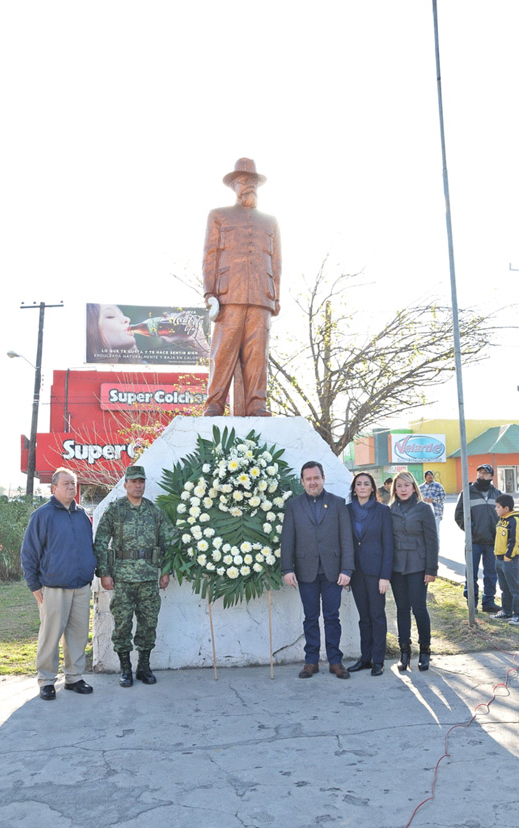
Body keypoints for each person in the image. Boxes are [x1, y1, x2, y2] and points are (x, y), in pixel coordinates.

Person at [202, 158, 281, 416]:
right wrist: (210, 293)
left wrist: (276, 296)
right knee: (223, 351)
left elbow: (277, 260)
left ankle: (256, 403)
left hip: (262, 296)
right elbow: (210, 255)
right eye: (244, 181)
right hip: (229, 294)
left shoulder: (270, 221)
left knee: (258, 354)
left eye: (253, 182)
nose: (249, 186)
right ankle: (214, 403)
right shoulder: (219, 216)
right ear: (234, 185)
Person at [20, 468, 97, 700]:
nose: (71, 487)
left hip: (81, 587)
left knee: (78, 635)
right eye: (66, 484)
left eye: (73, 483)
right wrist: (34, 585)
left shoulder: (82, 514)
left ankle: (74, 677)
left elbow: (88, 548)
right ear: (54, 488)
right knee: (50, 636)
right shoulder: (42, 515)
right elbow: (29, 552)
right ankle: (46, 680)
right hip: (52, 588)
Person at [94, 465, 170, 687]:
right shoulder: (115, 510)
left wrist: (165, 571)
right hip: (122, 579)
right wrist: (104, 573)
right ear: (125, 484)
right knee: (123, 625)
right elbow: (100, 542)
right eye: (134, 481)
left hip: (148, 578)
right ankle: (125, 670)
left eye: (141, 482)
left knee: (148, 624)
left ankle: (143, 668)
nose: (138, 485)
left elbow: (166, 542)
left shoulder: (154, 512)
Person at [281, 461, 354, 679]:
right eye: (308, 479)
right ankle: (311, 661)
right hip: (305, 571)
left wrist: (347, 569)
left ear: (323, 478)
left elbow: (346, 539)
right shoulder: (294, 505)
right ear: (302, 481)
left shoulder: (338, 503)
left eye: (316, 478)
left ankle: (335, 661)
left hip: (334, 572)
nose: (313, 482)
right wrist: (287, 568)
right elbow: (287, 540)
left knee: (332, 617)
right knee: (310, 617)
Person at [390, 471, 438, 671]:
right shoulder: (389, 509)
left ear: (413, 487)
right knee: (402, 609)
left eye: (406, 486)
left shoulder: (423, 509)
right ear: (394, 489)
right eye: (399, 486)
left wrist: (431, 569)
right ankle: (404, 652)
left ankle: (425, 650)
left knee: (419, 608)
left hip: (418, 566)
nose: (402, 489)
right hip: (396, 567)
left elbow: (432, 540)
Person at [346, 473, 393, 676]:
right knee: (363, 617)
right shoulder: (346, 511)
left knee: (377, 616)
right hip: (356, 573)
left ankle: (378, 660)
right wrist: (346, 571)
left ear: (373, 488)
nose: (362, 487)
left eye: (367, 484)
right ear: (354, 488)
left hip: (376, 573)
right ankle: (365, 658)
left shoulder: (382, 511)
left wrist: (385, 576)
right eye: (359, 484)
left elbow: (388, 545)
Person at [454, 464, 501, 613]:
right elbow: (459, 515)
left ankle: (488, 602)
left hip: (492, 542)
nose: (482, 475)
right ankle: (472, 602)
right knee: (471, 572)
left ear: (491, 477)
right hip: (473, 541)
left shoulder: (497, 494)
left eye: (485, 473)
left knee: (491, 573)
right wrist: (470, 529)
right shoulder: (467, 492)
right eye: (480, 473)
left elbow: (504, 516)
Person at [491, 494, 519, 624]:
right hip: (499, 559)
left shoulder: (514, 520)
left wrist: (508, 557)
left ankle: (517, 615)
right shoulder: (502, 519)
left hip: (510, 560)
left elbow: (514, 541)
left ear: (506, 508)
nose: (495, 509)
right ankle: (506, 611)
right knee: (504, 588)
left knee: (515, 588)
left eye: (498, 507)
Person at [420, 470, 446, 536]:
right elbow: (417, 499)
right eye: (428, 475)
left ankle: (436, 546)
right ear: (425, 477)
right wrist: (422, 500)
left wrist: (433, 499)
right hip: (423, 515)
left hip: (436, 514)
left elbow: (443, 497)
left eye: (431, 475)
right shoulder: (420, 488)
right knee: (425, 534)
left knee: (435, 534)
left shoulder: (438, 486)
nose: (430, 476)